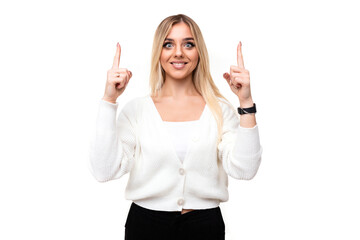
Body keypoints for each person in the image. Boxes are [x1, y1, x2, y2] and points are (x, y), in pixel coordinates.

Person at [89, 14, 263, 240]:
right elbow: (104, 171)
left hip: (204, 227)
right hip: (146, 226)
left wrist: (246, 103)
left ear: (198, 52)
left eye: (188, 44)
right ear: (158, 53)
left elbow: (245, 169)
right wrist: (108, 100)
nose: (178, 52)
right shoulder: (137, 111)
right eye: (168, 44)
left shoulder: (219, 110)